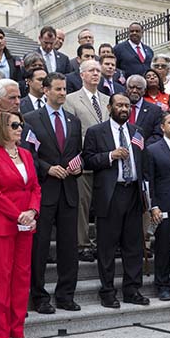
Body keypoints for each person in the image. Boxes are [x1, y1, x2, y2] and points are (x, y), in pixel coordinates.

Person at [0, 110, 41, 338]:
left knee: (22, 279)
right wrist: (19, 214)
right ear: (0, 128)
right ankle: (2, 336)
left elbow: (35, 186)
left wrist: (33, 211)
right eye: (14, 125)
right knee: (2, 281)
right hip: (1, 226)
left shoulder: (25, 154)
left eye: (20, 124)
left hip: (26, 225)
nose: (19, 128)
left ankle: (18, 332)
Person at [82, 93, 150, 308]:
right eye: (119, 105)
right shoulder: (96, 132)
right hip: (110, 195)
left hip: (133, 194)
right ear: (110, 107)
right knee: (107, 247)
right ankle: (108, 292)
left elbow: (143, 162)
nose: (124, 108)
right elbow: (88, 160)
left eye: (127, 106)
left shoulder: (137, 131)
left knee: (133, 247)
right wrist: (110, 155)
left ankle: (132, 290)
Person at [24, 72, 83, 314]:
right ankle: (39, 297)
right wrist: (48, 169)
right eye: (57, 89)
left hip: (69, 190)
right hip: (44, 191)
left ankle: (66, 295)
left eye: (64, 89)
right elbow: (29, 156)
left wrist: (77, 167)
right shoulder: (30, 120)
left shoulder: (73, 121)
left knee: (69, 247)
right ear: (45, 90)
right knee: (39, 247)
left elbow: (78, 152)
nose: (62, 93)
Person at [63, 60, 110, 263]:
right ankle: (82, 244)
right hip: (84, 159)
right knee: (83, 205)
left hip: (106, 161)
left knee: (105, 204)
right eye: (91, 70)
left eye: (98, 71)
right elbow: (72, 132)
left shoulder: (108, 99)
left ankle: (103, 242)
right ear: (81, 74)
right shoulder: (71, 99)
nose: (95, 74)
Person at [145, 111, 170, 301]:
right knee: (163, 248)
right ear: (162, 127)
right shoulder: (153, 149)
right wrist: (153, 206)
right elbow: (149, 181)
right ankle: (162, 286)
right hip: (164, 206)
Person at [125, 74, 163, 145]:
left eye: (138, 88)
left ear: (144, 91)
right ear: (126, 89)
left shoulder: (155, 110)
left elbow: (157, 135)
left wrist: (142, 146)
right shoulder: (119, 107)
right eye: (131, 87)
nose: (134, 91)